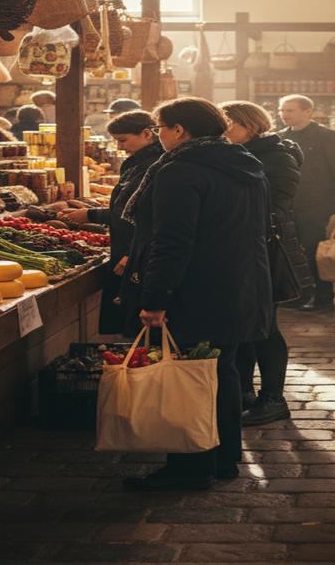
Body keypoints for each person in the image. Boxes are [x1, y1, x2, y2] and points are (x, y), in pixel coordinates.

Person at [121, 97, 272, 492]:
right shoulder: (243, 163)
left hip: (196, 287)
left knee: (191, 375)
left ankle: (190, 466)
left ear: (180, 131)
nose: (159, 136)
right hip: (238, 283)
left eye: (161, 129)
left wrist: (154, 300)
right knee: (220, 372)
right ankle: (223, 458)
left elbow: (172, 242)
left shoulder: (180, 171)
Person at [221, 100, 310, 427]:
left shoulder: (276, 156)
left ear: (251, 125)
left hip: (266, 250)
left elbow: (278, 203)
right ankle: (245, 391)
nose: (224, 131)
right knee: (246, 324)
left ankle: (273, 398)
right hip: (244, 248)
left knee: (265, 326)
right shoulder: (240, 154)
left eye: (229, 124)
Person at [61, 110, 162, 335]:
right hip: (131, 248)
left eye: (123, 140)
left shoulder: (151, 166)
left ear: (147, 134)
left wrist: (92, 216)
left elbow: (141, 215)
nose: (119, 146)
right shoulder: (139, 163)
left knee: (137, 326)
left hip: (136, 251)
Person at [279, 95, 335, 312]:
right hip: (290, 202)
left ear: (307, 111)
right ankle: (299, 294)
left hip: (318, 202)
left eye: (290, 110)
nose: (284, 115)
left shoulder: (326, 136)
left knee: (315, 250)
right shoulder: (280, 137)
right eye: (282, 110)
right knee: (293, 250)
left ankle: (323, 296)